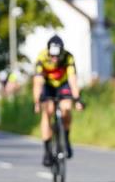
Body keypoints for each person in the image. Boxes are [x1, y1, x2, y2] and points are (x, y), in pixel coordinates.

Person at [33, 35, 83, 167]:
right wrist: (37, 102)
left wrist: (77, 99)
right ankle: (47, 151)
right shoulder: (42, 57)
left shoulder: (68, 57)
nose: (55, 60)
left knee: (66, 108)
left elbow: (73, 79)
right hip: (48, 85)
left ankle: (65, 138)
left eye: (57, 57)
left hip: (63, 84)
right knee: (47, 111)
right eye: (52, 57)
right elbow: (37, 81)